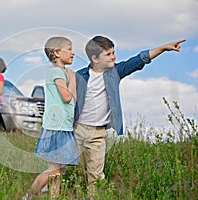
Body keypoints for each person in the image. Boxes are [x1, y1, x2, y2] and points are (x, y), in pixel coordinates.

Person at [74, 36, 185, 194]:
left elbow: (138, 60)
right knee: (60, 168)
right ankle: (47, 195)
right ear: (95, 58)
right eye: (108, 54)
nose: (113, 56)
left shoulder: (115, 72)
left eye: (113, 52)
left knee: (96, 176)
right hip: (77, 130)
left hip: (98, 134)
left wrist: (163, 48)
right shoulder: (79, 76)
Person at [22, 36, 79, 200]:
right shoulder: (56, 72)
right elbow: (67, 97)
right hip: (57, 127)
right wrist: (73, 80)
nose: (72, 53)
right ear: (56, 52)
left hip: (64, 126)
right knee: (54, 170)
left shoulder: (62, 72)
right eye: (68, 48)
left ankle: (54, 197)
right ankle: (29, 195)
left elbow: (71, 103)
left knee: (58, 169)